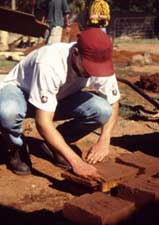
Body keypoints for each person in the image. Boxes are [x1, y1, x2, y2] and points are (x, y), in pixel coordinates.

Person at [0, 28, 120, 180]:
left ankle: (56, 144)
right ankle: (15, 148)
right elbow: (42, 122)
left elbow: (114, 103)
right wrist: (77, 162)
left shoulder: (100, 63)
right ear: (75, 52)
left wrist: (104, 140)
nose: (93, 73)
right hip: (21, 93)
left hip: (58, 97)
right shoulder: (49, 62)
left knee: (103, 110)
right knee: (8, 112)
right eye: (89, 68)